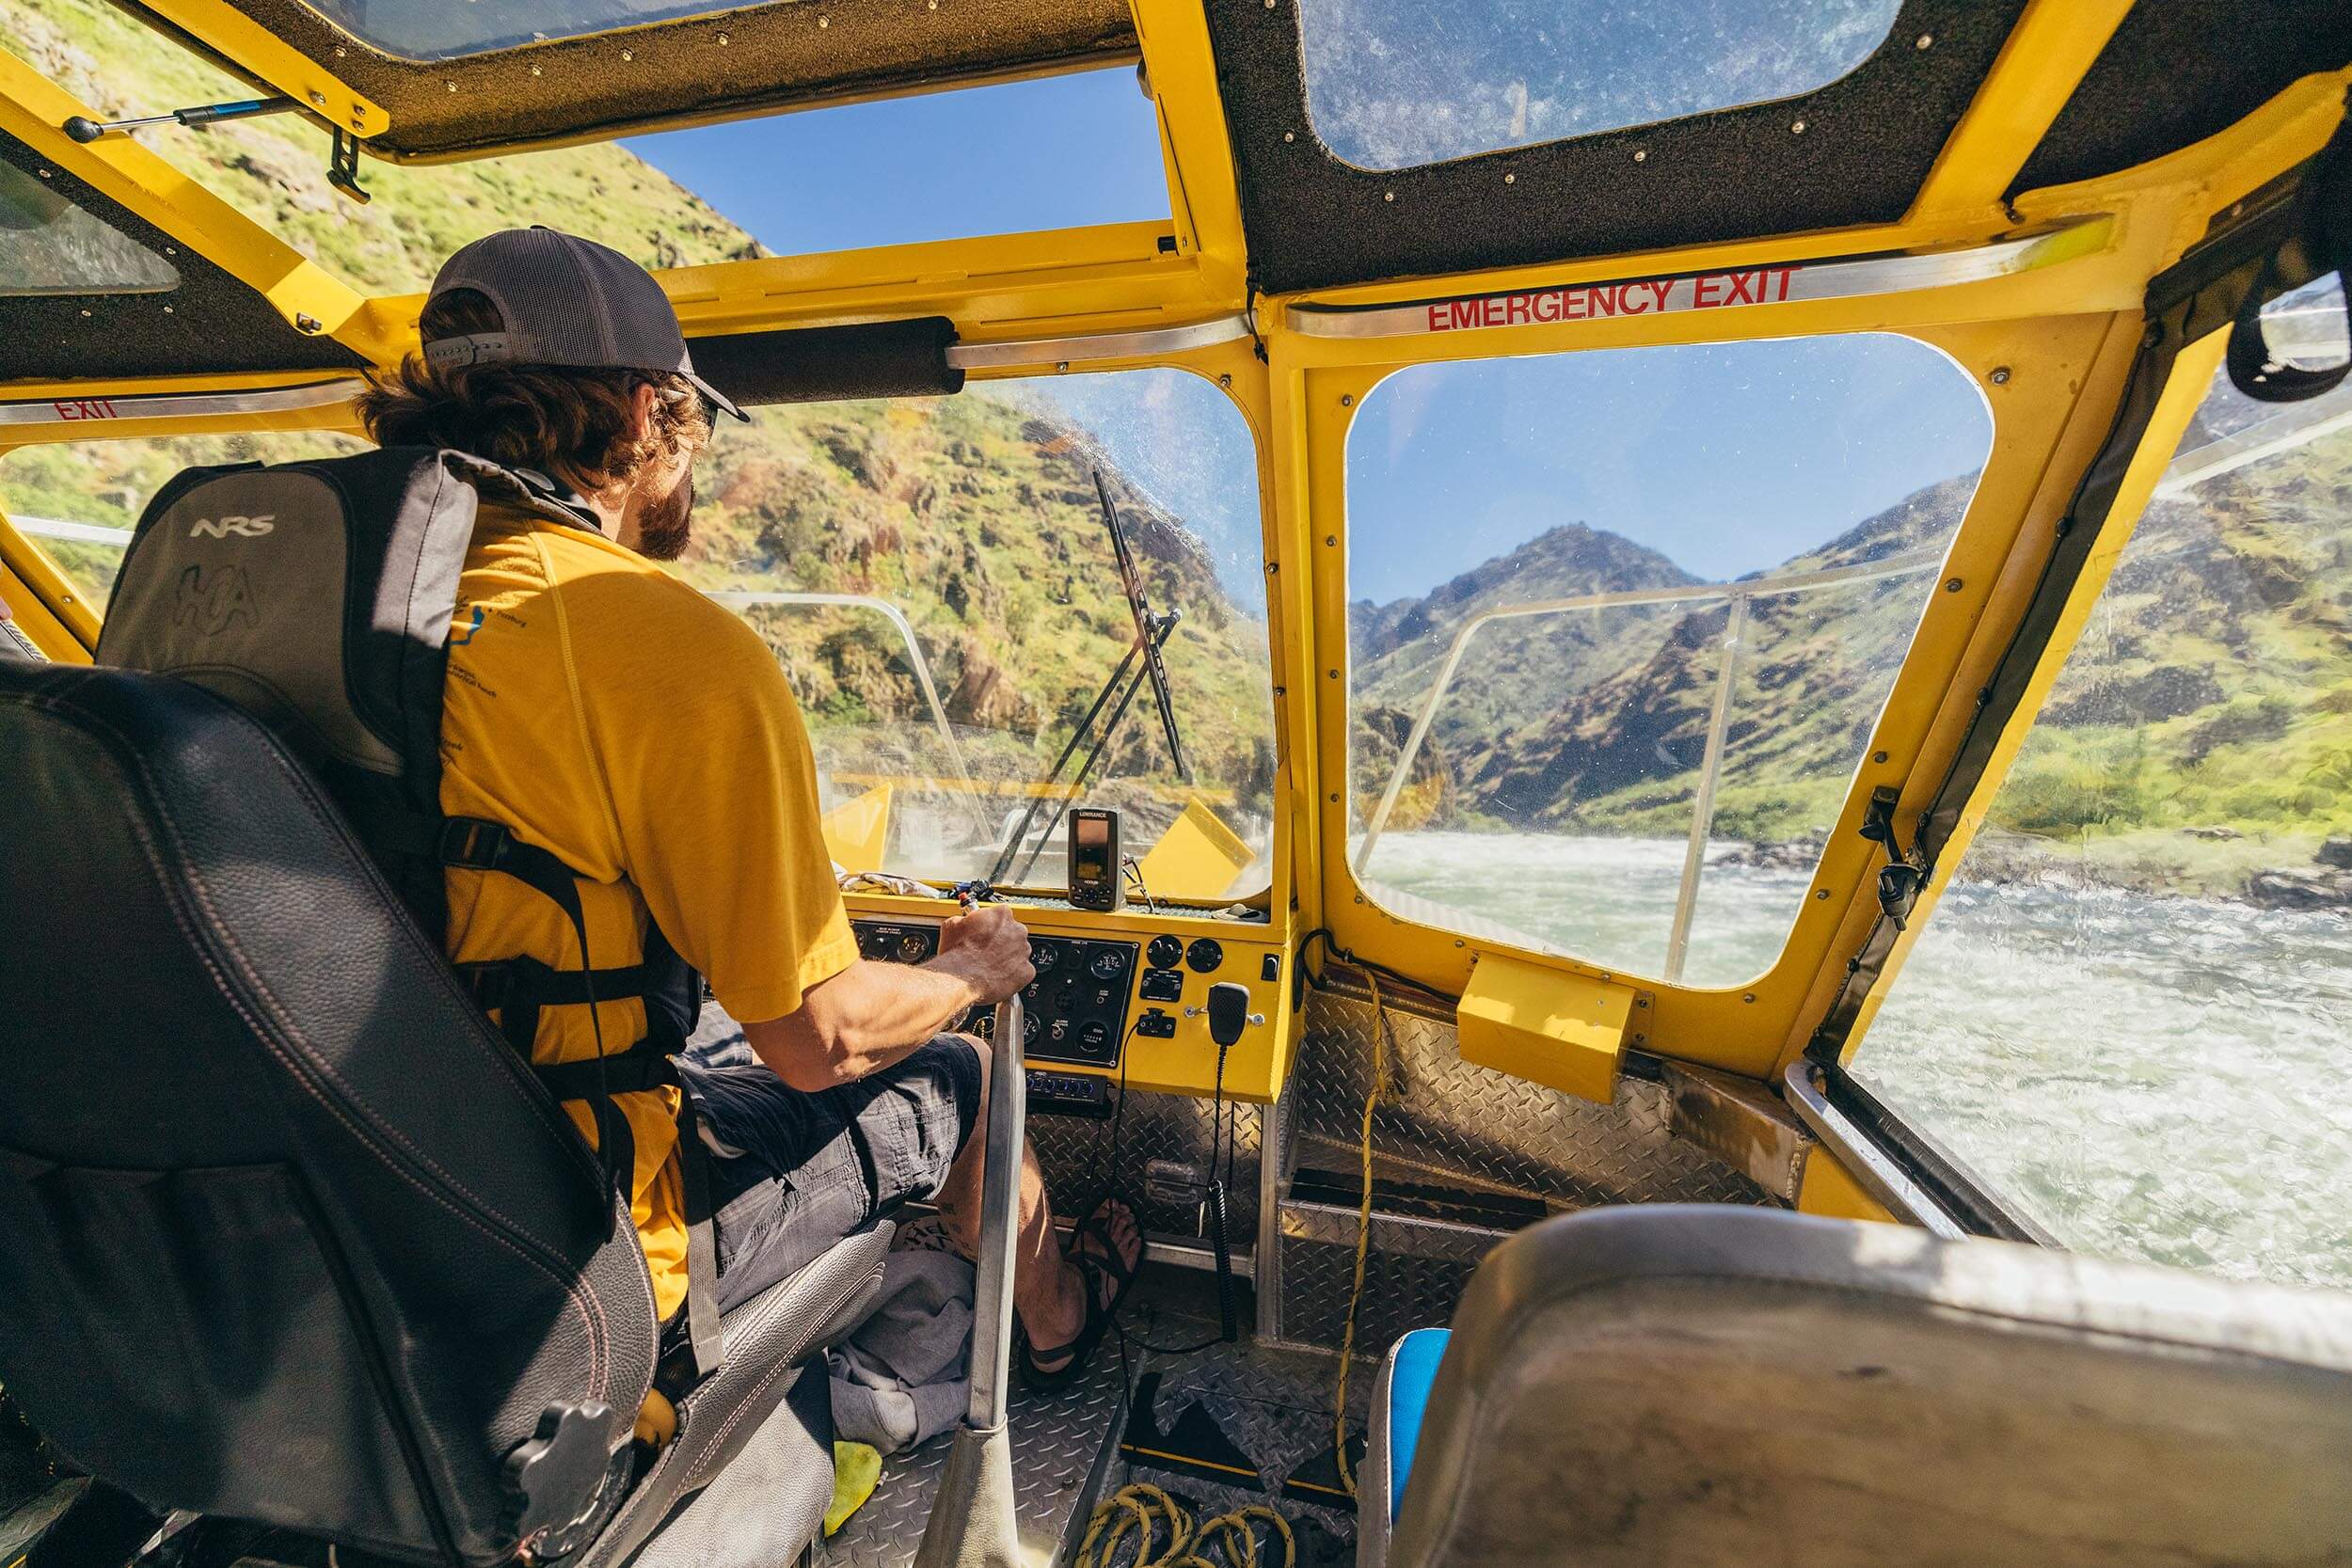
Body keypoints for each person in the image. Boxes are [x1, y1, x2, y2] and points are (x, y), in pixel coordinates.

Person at [356, 227, 1139, 1389]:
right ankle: (1061, 1316)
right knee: (966, 1074)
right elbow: (818, 1042)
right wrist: (974, 974)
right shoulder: (657, 638)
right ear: (641, 417)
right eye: (691, 420)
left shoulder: (318, 603)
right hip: (575, 1249)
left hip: (327, 1203)